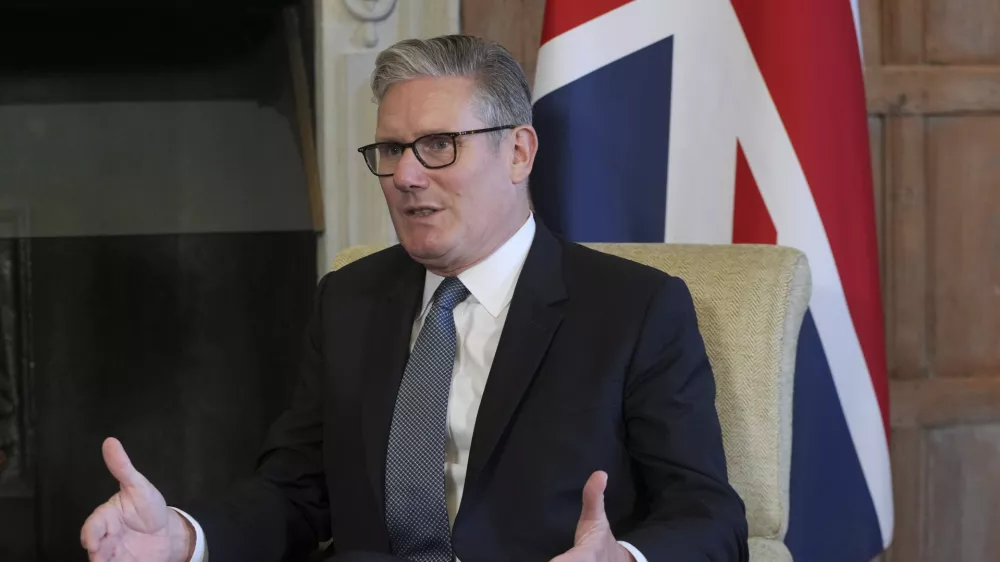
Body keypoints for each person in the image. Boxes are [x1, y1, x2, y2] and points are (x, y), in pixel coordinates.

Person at [80, 34, 748, 562]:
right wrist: (184, 538)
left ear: (518, 152)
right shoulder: (349, 300)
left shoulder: (633, 309)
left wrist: (624, 558)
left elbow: (708, 516)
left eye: (437, 146)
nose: (404, 175)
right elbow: (296, 492)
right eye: (392, 148)